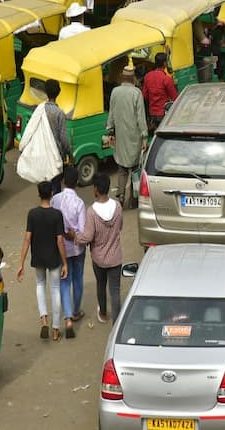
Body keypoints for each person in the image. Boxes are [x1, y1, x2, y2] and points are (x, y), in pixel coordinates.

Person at [17, 181, 68, 342]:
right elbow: (60, 240)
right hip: (54, 258)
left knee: (40, 285)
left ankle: (44, 319)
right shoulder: (57, 215)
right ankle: (55, 329)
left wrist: (21, 263)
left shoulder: (32, 214)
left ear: (39, 194)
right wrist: (65, 262)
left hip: (38, 256)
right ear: (52, 193)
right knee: (55, 289)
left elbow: (27, 239)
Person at [76, 173, 124, 323]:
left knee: (101, 285)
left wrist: (74, 237)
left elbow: (87, 237)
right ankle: (116, 323)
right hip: (115, 257)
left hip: (98, 258)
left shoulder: (91, 211)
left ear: (96, 189)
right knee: (115, 291)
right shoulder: (117, 206)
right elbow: (120, 227)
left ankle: (103, 313)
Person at [51, 166, 87, 339]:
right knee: (78, 279)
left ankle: (68, 319)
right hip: (77, 248)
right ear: (77, 182)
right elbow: (81, 232)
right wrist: (72, 234)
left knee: (65, 281)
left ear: (64, 181)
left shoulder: (55, 200)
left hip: (61, 249)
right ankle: (76, 310)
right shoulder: (79, 203)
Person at [107, 65, 148, 208]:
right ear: (133, 78)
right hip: (134, 136)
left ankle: (121, 194)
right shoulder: (136, 93)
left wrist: (110, 131)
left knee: (122, 168)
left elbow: (111, 113)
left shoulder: (115, 92)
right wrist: (144, 137)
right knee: (136, 169)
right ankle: (134, 199)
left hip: (120, 136)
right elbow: (141, 118)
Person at [44, 79, 71, 194]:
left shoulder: (41, 109)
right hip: (56, 155)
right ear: (58, 92)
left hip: (44, 153)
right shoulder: (59, 113)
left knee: (45, 184)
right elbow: (63, 139)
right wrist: (70, 154)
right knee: (56, 186)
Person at [141, 52, 178, 131]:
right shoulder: (166, 79)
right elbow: (175, 97)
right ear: (164, 63)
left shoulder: (147, 76)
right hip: (164, 114)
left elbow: (144, 96)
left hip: (152, 114)